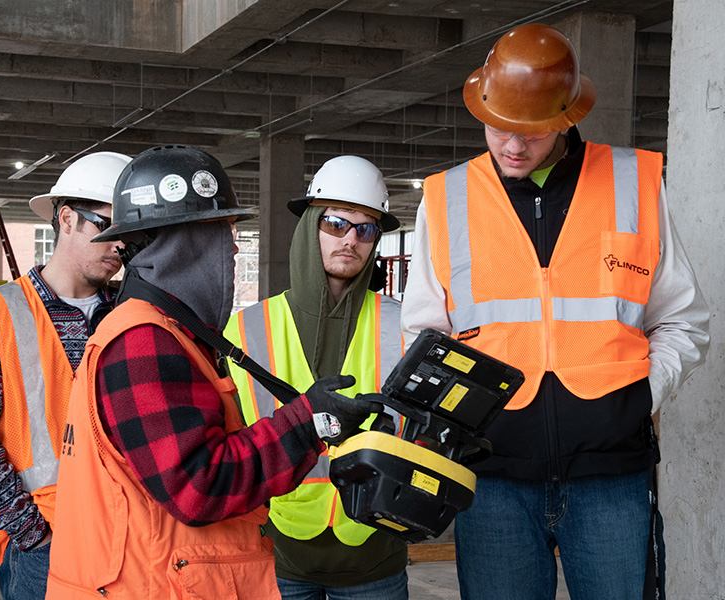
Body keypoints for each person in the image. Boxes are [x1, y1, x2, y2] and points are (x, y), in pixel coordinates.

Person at [401, 23, 710, 600]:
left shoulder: (633, 183)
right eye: (499, 128)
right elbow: (424, 334)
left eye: (533, 133)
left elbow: (683, 319)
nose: (513, 147)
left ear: (566, 118)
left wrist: (643, 393)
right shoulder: (447, 199)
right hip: (491, 481)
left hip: (611, 478)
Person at [44, 145, 383, 600]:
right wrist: (309, 423)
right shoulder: (142, 339)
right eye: (222, 230)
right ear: (183, 242)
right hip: (146, 587)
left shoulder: (172, 331)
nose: (232, 247)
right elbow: (197, 486)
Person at [0, 151, 131, 599]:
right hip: (46, 545)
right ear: (67, 219)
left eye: (130, 234)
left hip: (129, 537)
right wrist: (32, 533)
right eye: (109, 226)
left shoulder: (129, 313)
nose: (120, 247)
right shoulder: (3, 312)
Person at [224, 155, 409, 598]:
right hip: (278, 550)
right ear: (310, 226)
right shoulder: (246, 329)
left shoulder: (404, 327)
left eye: (366, 229)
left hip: (374, 553)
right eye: (337, 224)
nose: (351, 240)